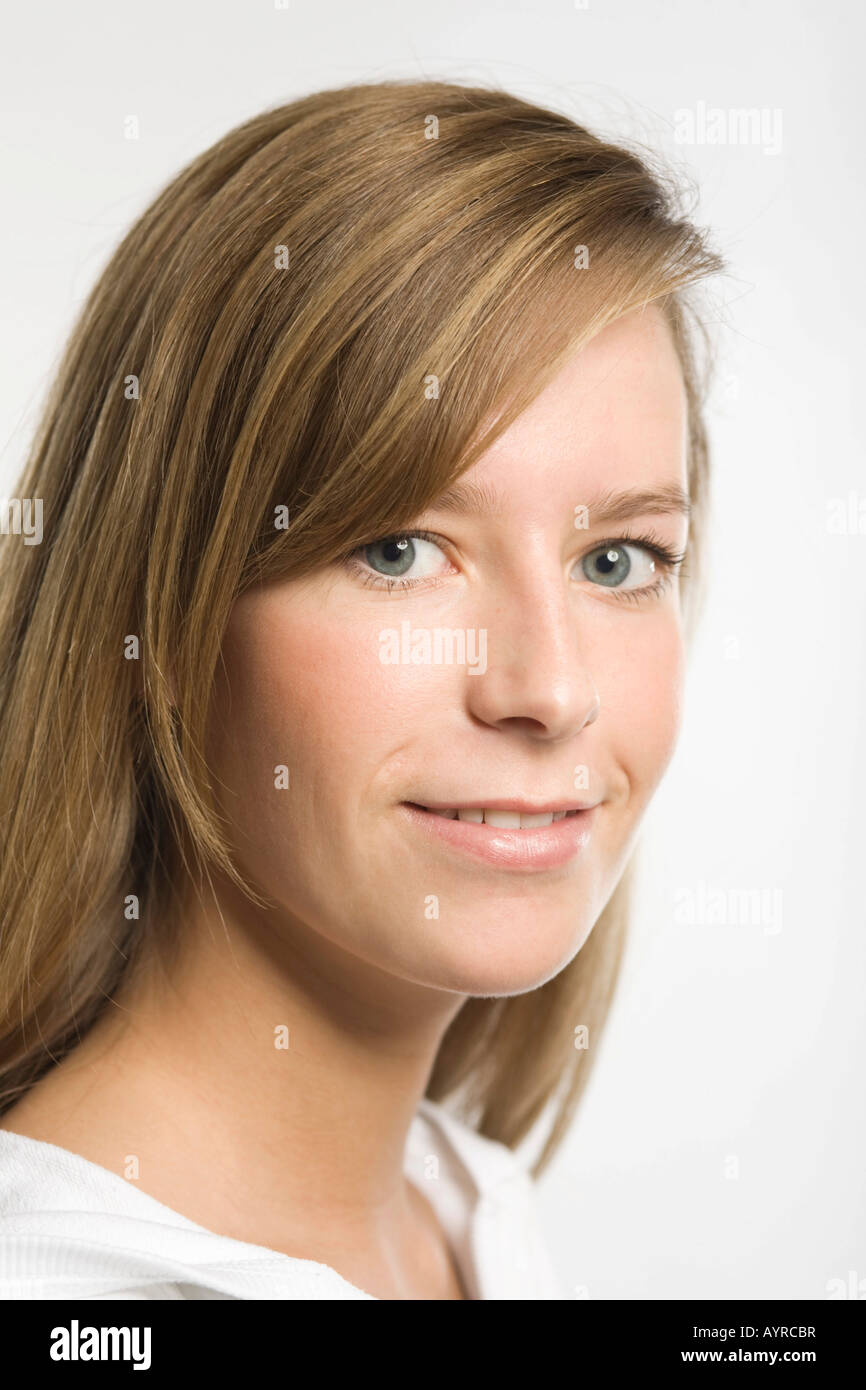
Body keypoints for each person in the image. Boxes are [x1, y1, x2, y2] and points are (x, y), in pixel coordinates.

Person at [0, 78, 724, 1299]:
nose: (547, 690)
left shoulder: (470, 1206)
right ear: (157, 617)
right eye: (397, 550)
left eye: (616, 560)